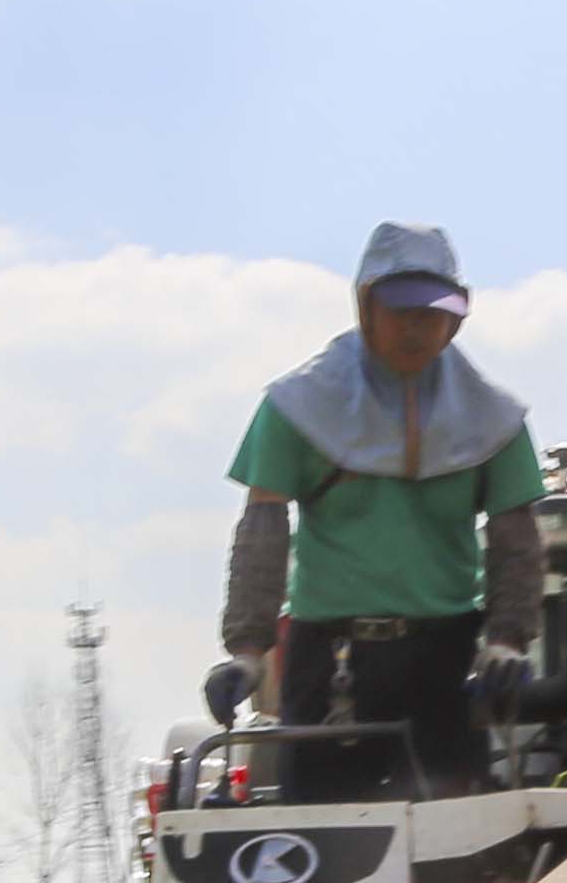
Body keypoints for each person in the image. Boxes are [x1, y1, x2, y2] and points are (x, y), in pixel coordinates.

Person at [215, 222, 544, 792]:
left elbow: (517, 543)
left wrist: (507, 641)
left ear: (458, 317)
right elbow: (263, 534)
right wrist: (247, 652)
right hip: (331, 663)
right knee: (325, 845)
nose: (417, 327)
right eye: (401, 311)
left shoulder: (494, 420)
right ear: (366, 305)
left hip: (447, 662)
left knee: (455, 849)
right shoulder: (299, 405)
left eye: (433, 312)